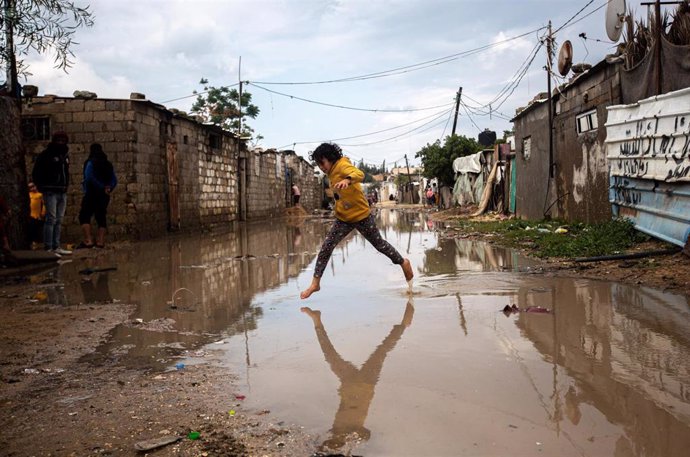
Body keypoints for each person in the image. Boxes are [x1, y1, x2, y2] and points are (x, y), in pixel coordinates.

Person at [300, 143, 413, 299]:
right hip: (343, 218)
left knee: (379, 244)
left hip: (361, 216)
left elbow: (358, 174)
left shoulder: (342, 165)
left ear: (331, 158)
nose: (321, 167)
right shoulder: (330, 172)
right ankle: (315, 283)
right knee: (326, 247)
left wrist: (347, 180)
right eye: (318, 164)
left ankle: (403, 262)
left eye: (322, 163)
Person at [32, 131, 72, 255]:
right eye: (58, 140)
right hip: (50, 191)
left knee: (59, 219)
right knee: (51, 219)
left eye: (63, 140)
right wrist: (42, 186)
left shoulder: (65, 155)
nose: (60, 143)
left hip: (62, 190)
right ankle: (48, 247)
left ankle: (56, 245)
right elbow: (37, 171)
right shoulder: (46, 155)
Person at [77, 143, 117, 249]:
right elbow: (114, 179)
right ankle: (100, 241)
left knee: (84, 215)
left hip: (91, 193)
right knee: (101, 216)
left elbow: (89, 177)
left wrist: (100, 186)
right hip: (104, 195)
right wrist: (108, 188)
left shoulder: (90, 163)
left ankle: (88, 240)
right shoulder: (108, 164)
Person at [28, 181, 45, 248]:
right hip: (31, 215)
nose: (32, 188)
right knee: (32, 229)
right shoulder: (29, 195)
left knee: (38, 229)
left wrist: (43, 213)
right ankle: (33, 243)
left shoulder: (40, 195)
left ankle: (38, 243)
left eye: (33, 186)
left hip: (37, 215)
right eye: (30, 187)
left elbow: (44, 204)